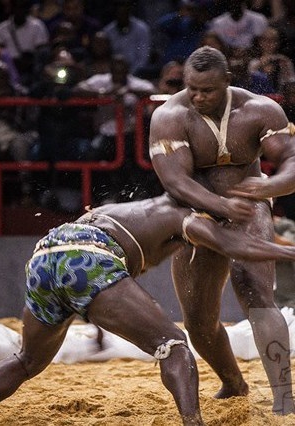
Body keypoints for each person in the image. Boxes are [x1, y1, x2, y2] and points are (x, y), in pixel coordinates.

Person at [0, 193, 295, 425]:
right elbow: (233, 246)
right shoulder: (186, 216)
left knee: (27, 361)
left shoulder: (135, 208)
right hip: (89, 258)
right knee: (173, 345)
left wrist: (97, 325)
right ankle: (193, 422)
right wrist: (289, 251)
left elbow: (99, 289)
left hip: (45, 256)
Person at [148, 45, 295, 415]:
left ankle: (284, 397)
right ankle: (233, 382)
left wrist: (269, 186)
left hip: (249, 206)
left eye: (208, 90)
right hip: (195, 212)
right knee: (198, 320)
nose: (198, 96)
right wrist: (221, 205)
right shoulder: (170, 115)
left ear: (227, 82)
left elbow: (292, 159)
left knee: (255, 292)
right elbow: (177, 182)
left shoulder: (260, 110)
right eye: (192, 88)